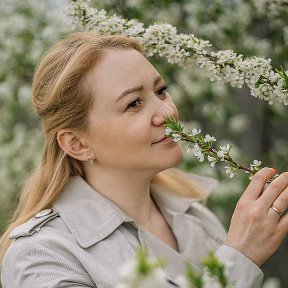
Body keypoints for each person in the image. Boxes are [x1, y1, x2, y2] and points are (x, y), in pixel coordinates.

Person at [0, 32, 287, 288]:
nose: (166, 112)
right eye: (133, 104)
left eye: (160, 90)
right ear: (77, 143)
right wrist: (240, 258)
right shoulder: (43, 255)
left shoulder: (194, 214)